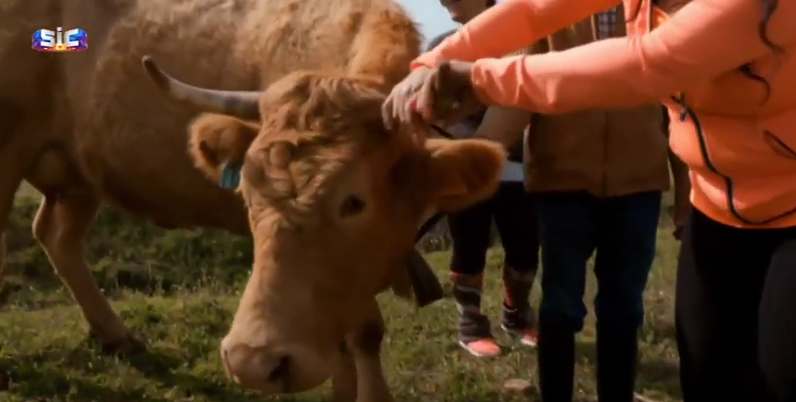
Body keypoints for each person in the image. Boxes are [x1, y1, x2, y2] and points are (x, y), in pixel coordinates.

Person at [382, 0, 796, 401]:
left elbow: (647, 65)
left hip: (789, 209)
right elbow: (531, 11)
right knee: (706, 374)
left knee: (781, 375)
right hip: (718, 208)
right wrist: (431, 62)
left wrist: (476, 78)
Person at [443, 4, 689, 400]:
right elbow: (519, 90)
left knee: (624, 307)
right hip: (563, 184)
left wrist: (686, 193)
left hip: (638, 184)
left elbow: (678, 105)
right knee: (560, 304)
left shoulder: (654, 12)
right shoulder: (548, 12)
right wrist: (474, 159)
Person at [428, 0, 541, 358]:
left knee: (525, 248)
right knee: (469, 245)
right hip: (463, 166)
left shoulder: (522, 42)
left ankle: (517, 314)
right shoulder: (441, 48)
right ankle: (471, 324)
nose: (445, 2)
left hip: (517, 164)